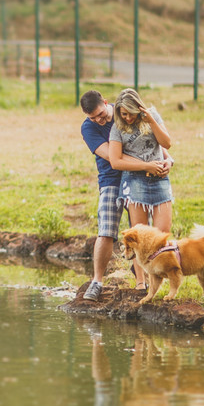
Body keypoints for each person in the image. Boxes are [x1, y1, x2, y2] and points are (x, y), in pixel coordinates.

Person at [78, 90, 170, 301]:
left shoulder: (124, 113)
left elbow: (151, 142)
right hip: (111, 178)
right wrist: (148, 164)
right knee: (106, 229)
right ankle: (97, 281)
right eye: (93, 118)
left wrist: (167, 160)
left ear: (106, 103)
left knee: (140, 231)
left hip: (139, 177)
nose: (99, 121)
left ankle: (143, 280)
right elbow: (113, 156)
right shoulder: (89, 127)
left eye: (101, 115)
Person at [107, 88, 174, 287]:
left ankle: (159, 282)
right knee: (138, 237)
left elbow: (167, 143)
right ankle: (140, 282)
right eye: (123, 113)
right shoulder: (117, 128)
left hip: (160, 181)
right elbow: (115, 161)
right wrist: (147, 166)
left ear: (139, 108)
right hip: (134, 182)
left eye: (130, 113)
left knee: (162, 234)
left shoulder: (152, 116)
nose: (127, 117)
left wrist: (150, 120)